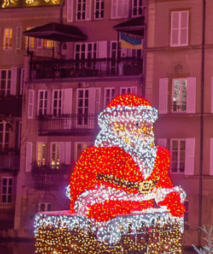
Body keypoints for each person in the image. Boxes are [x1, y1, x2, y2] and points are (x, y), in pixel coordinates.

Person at [68, 94, 186, 222]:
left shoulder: (159, 156)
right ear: (117, 127)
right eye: (138, 124)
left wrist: (171, 199)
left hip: (144, 223)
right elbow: (79, 191)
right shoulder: (96, 156)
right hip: (109, 222)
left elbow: (163, 186)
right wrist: (94, 207)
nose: (147, 130)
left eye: (149, 124)